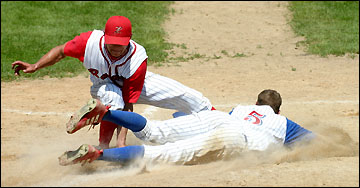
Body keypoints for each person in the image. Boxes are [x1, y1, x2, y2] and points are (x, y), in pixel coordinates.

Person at [11, 15, 215, 149]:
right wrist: (35, 66)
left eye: (121, 44)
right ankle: (103, 147)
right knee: (112, 99)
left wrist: (122, 140)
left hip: (136, 82)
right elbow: (61, 51)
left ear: (130, 38)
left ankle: (217, 121)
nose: (116, 48)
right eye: (112, 44)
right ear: (105, 36)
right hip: (103, 85)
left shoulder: (137, 58)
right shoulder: (89, 42)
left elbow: (129, 104)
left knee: (190, 97)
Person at [58, 89, 315, 166]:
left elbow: (201, 117)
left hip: (221, 119)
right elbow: (316, 141)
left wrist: (183, 118)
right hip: (235, 138)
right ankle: (97, 153)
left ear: (255, 104)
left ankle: (107, 112)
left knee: (157, 131)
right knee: (163, 155)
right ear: (278, 110)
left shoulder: (241, 109)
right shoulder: (284, 123)